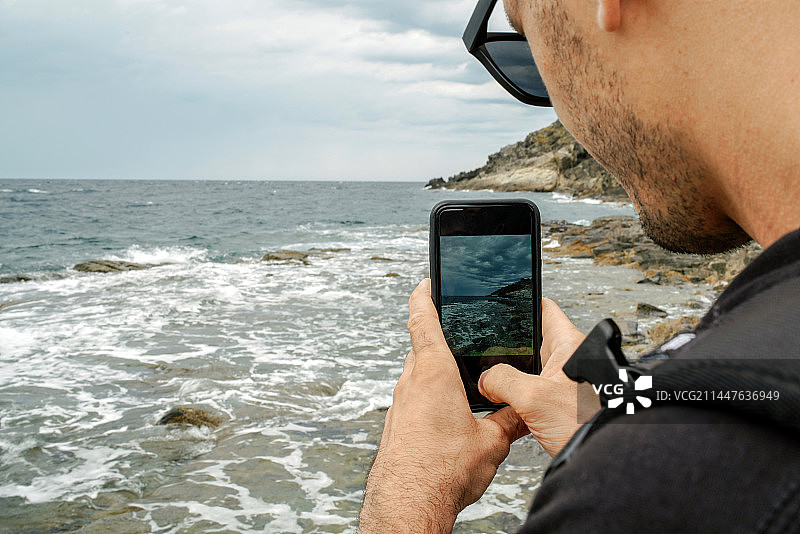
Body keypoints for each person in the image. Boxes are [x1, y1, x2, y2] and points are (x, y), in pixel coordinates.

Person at [359, 0, 800, 532]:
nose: (556, 106)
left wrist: (409, 492)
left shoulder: (651, 485)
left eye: (528, 51)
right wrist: (602, 425)